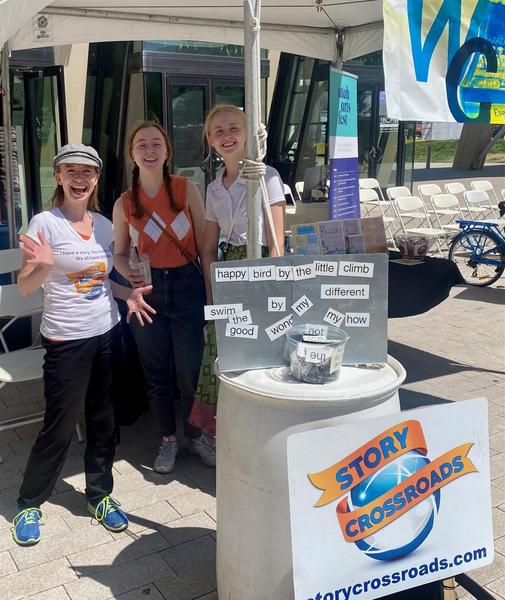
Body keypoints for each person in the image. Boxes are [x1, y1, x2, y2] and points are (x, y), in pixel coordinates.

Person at [12, 144, 155, 546]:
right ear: (58, 177)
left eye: (88, 172)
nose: (80, 178)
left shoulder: (104, 226)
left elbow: (100, 277)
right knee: (59, 425)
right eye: (71, 171)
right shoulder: (43, 224)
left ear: (96, 180)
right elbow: (24, 289)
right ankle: (29, 502)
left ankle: (100, 495)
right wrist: (41, 265)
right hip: (66, 341)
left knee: (104, 420)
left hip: (107, 334)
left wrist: (126, 294)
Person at [112, 121, 216, 474]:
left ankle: (195, 433)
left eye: (156, 143)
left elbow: (204, 246)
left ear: (167, 151)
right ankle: (168, 439)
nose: (150, 149)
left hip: (188, 285)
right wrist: (132, 275)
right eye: (141, 144)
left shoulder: (187, 189)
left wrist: (210, 292)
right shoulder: (125, 202)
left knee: (189, 370)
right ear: (132, 154)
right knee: (156, 371)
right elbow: (119, 254)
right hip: (149, 291)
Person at [190, 104, 285, 434]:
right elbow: (207, 248)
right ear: (210, 141)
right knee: (222, 345)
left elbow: (276, 243)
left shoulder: (267, 176)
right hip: (229, 267)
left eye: (233, 128)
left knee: (256, 346)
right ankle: (222, 426)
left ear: (247, 133)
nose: (226, 136)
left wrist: (271, 288)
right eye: (218, 132)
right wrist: (211, 294)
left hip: (257, 265)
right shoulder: (214, 188)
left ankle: (258, 422)